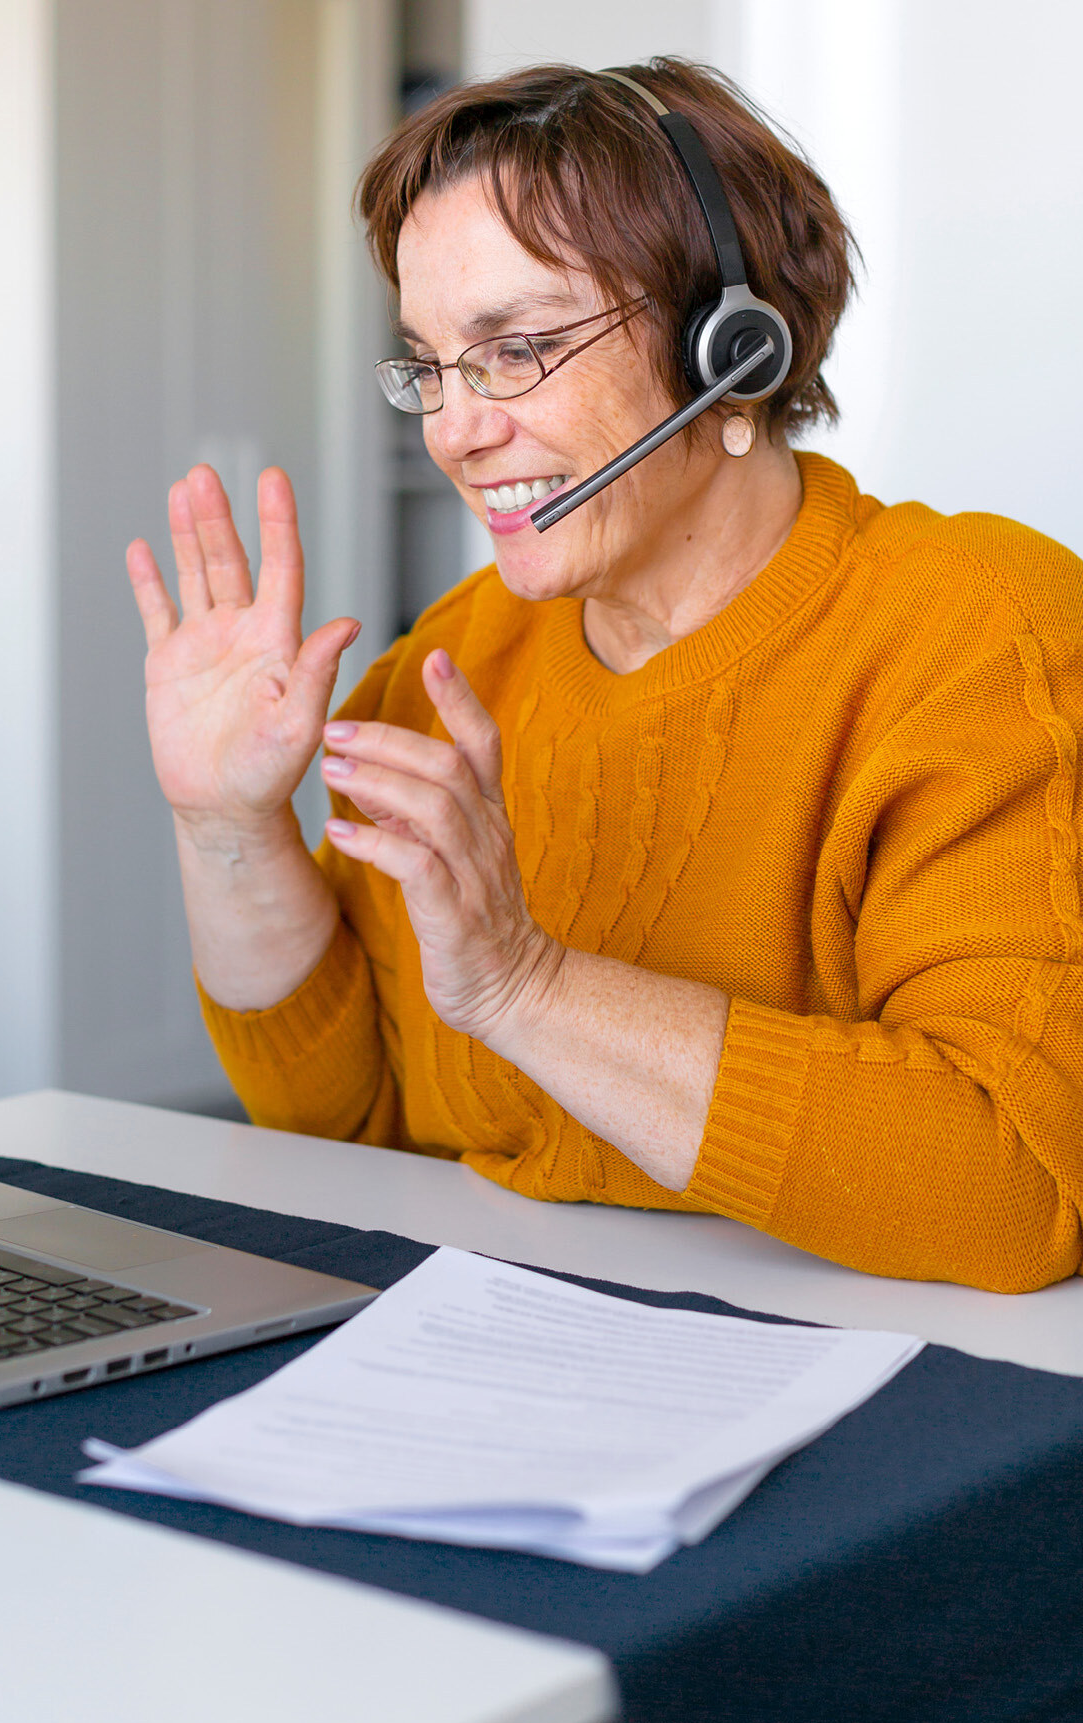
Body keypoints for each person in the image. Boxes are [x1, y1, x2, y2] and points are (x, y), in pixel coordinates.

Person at [126, 58, 1083, 1295]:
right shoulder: (455, 660)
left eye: (512, 349)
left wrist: (528, 986)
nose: (455, 428)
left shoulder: (977, 632)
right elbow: (344, 1112)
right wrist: (228, 827)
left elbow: (1012, 1189)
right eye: (428, 362)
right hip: (509, 1351)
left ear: (731, 346)